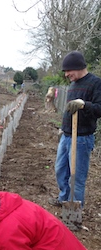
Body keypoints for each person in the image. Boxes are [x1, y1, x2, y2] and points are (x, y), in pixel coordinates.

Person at [49, 51, 101, 208]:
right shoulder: (73, 85)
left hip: (81, 138)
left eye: (68, 71)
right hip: (66, 135)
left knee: (76, 177)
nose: (66, 75)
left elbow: (99, 109)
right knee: (60, 170)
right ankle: (64, 198)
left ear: (78, 67)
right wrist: (62, 128)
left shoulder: (95, 83)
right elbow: (68, 111)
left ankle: (76, 208)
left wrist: (84, 104)